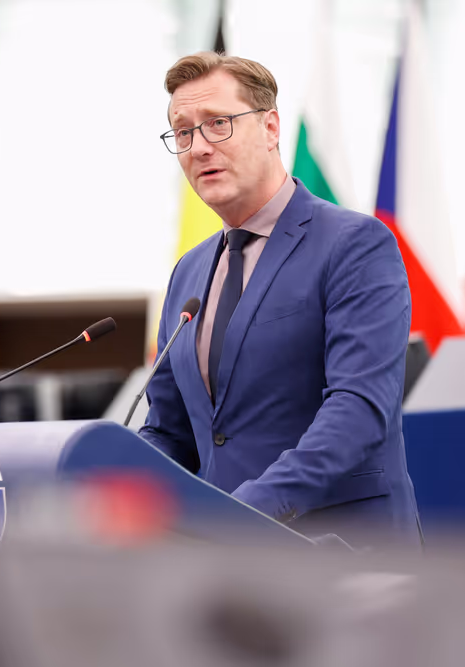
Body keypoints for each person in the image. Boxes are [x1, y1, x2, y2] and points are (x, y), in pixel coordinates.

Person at [139, 52, 421, 547]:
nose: (199, 147)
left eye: (218, 124)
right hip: (227, 564)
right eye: (182, 133)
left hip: (341, 551)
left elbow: (357, 409)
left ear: (271, 127)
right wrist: (113, 491)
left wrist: (247, 513)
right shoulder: (188, 272)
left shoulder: (354, 244)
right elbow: (170, 431)